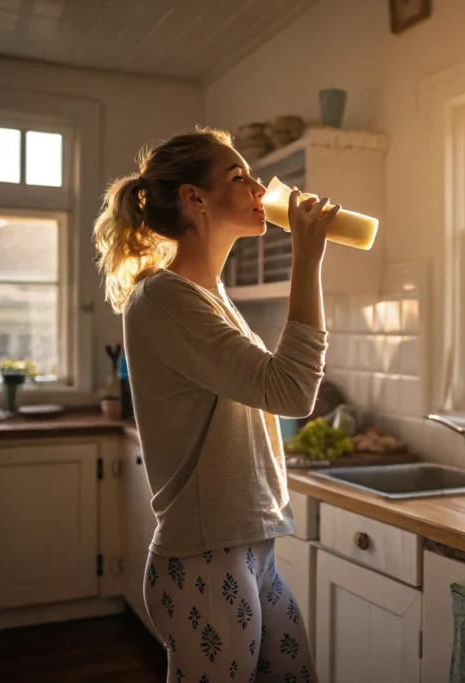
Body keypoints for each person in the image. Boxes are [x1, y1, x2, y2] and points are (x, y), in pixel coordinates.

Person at [92, 128, 339, 682]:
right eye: (238, 176)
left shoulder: (209, 296)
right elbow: (292, 391)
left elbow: (274, 387)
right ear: (193, 198)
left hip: (251, 545)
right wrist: (307, 257)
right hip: (206, 554)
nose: (258, 186)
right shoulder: (164, 298)